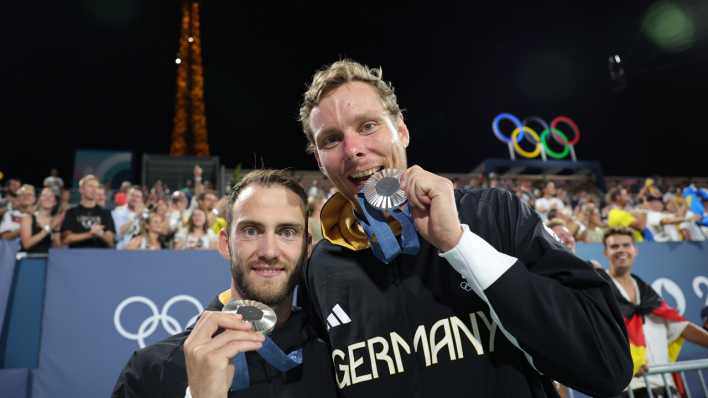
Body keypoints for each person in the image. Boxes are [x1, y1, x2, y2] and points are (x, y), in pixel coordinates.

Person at [297, 59, 632, 397]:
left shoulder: (495, 213)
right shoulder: (321, 268)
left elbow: (607, 364)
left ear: (402, 130)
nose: (353, 150)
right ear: (319, 162)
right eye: (331, 139)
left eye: (368, 126)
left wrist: (460, 244)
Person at [112, 169, 337, 398]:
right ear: (225, 243)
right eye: (251, 231)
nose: (269, 251)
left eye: (287, 232)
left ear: (307, 247)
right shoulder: (150, 371)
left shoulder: (338, 361)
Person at [603, 227, 708, 398]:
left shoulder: (648, 294)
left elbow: (681, 327)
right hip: (628, 389)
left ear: (635, 250)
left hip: (665, 387)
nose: (621, 250)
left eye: (626, 245)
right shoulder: (600, 291)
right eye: (614, 246)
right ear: (605, 252)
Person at [61, 174, 116, 248]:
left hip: (100, 256)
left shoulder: (105, 213)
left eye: (96, 187)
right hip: (76, 256)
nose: (94, 190)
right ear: (81, 190)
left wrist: (101, 234)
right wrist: (90, 234)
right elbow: (66, 239)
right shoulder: (71, 212)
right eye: (90, 186)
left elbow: (111, 242)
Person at [20, 187, 62, 253]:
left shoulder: (55, 221)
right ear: (39, 200)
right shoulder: (27, 218)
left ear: (55, 202)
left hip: (49, 260)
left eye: (51, 196)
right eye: (44, 195)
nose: (47, 198)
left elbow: (58, 249)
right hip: (29, 260)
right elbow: (26, 244)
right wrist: (48, 228)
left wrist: (57, 231)